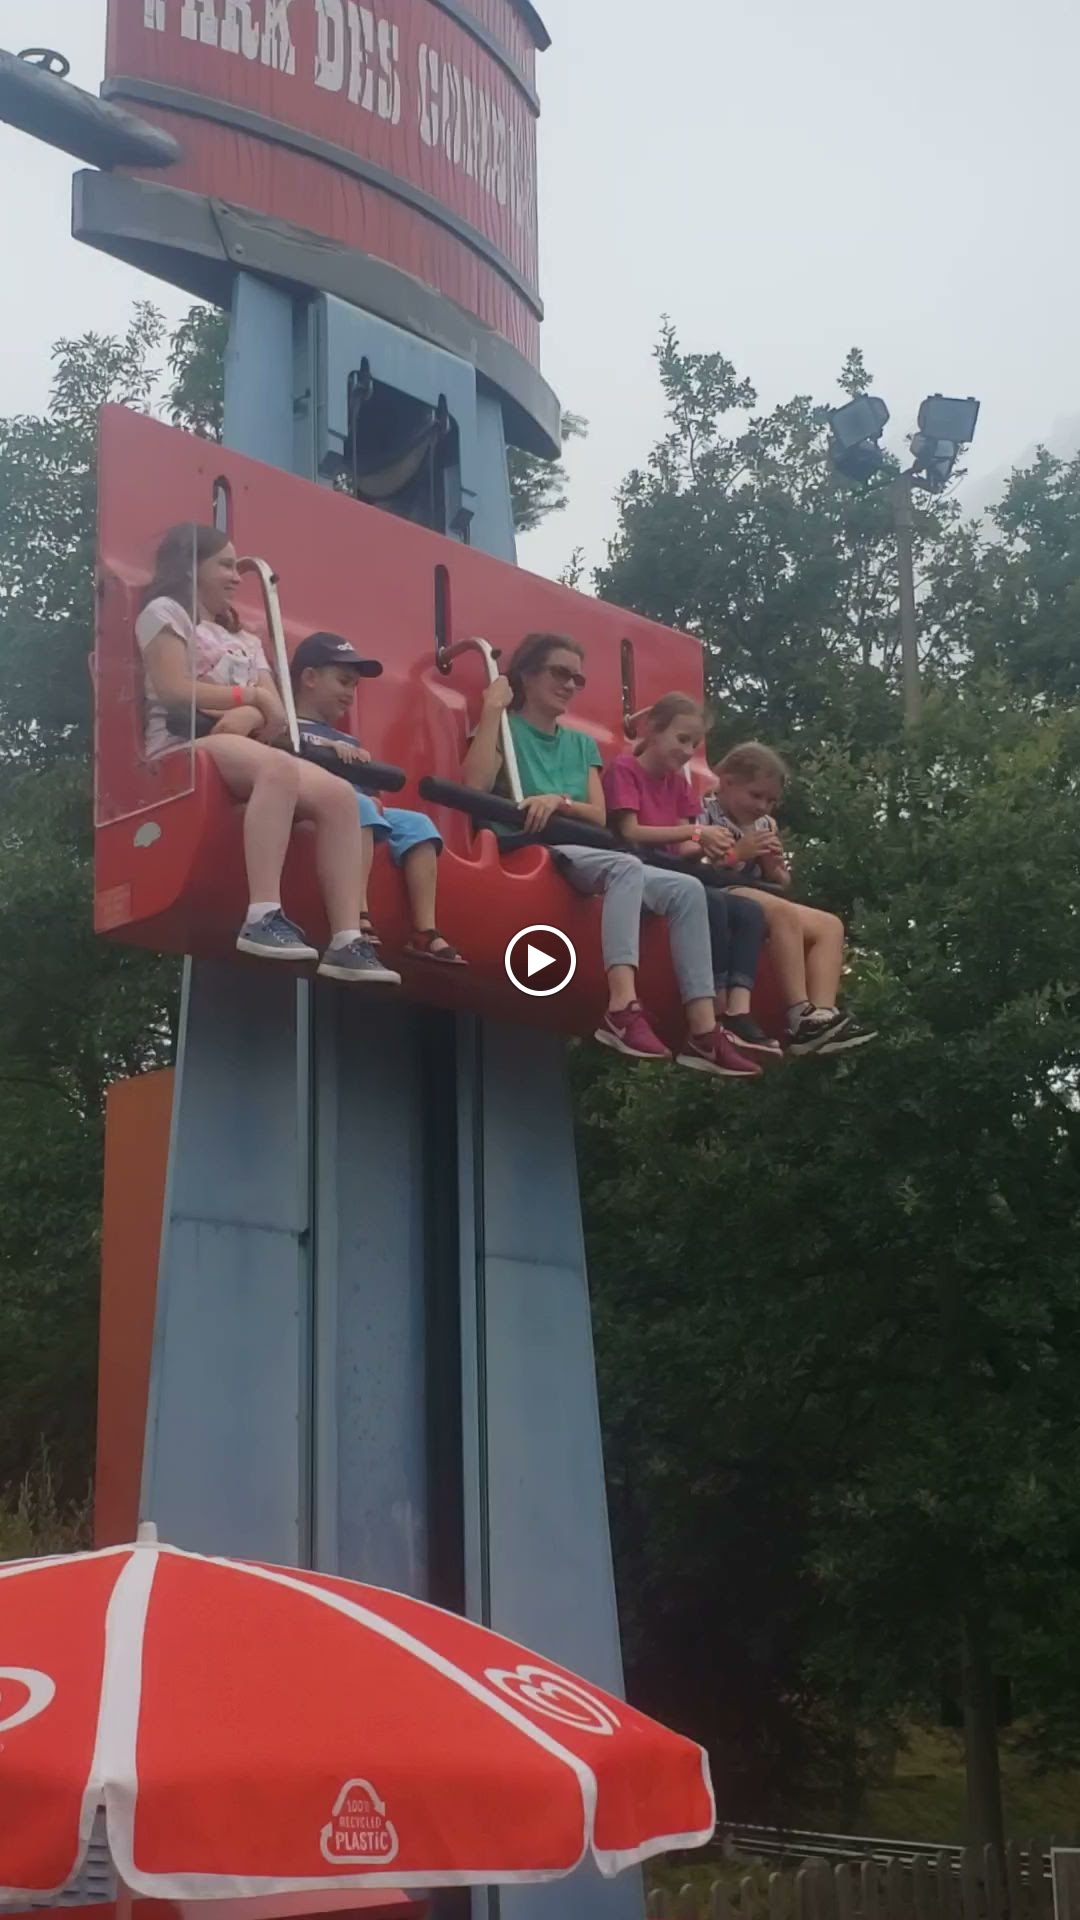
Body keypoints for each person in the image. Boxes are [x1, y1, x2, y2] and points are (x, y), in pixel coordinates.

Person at [461, 632, 760, 1079]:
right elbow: (473, 785)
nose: (569, 684)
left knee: (686, 889)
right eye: (560, 672)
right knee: (625, 867)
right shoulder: (504, 727)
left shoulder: (581, 745)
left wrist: (558, 801)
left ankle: (703, 1029)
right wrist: (491, 710)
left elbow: (598, 814)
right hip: (529, 843)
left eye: (577, 678)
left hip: (579, 845)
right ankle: (622, 1006)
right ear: (527, 674)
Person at [135, 523, 400, 985]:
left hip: (241, 743)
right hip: (182, 743)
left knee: (340, 796)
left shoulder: (247, 640)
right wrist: (249, 700)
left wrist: (249, 712)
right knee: (278, 768)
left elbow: (277, 713)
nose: (235, 577)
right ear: (191, 566)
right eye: (224, 565)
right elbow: (174, 688)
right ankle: (262, 914)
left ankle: (346, 938)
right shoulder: (164, 614)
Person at [603, 694, 780, 1064]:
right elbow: (632, 831)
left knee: (749, 911)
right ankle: (710, 1011)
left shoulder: (679, 783)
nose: (687, 752)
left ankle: (736, 1010)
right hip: (640, 864)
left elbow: (686, 846)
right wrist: (698, 835)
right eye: (682, 739)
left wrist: (720, 848)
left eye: (694, 744)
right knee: (707, 899)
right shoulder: (625, 769)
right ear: (654, 730)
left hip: (675, 871)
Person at [290, 632, 467, 966]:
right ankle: (356, 913)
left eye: (354, 686)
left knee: (417, 824)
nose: (350, 693)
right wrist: (330, 753)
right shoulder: (286, 725)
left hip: (356, 810)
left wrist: (370, 787)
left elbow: (371, 796)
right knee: (356, 805)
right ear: (310, 678)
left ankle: (424, 930)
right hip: (313, 808)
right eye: (343, 682)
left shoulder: (347, 740)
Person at [703, 742, 875, 1056]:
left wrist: (775, 867)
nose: (763, 807)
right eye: (755, 795)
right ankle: (799, 1012)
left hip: (757, 890)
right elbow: (693, 863)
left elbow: (782, 882)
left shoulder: (764, 825)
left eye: (771, 801)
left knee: (829, 925)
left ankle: (822, 1014)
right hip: (719, 888)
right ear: (726, 782)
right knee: (783, 913)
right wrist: (737, 854)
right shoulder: (705, 813)